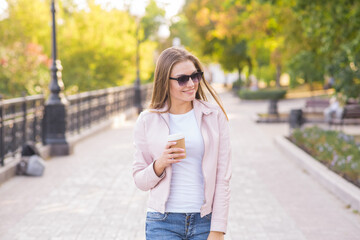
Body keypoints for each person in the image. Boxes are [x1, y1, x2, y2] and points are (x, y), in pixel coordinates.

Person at [132, 47, 232, 240]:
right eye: (182, 79)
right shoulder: (147, 120)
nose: (191, 84)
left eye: (195, 76)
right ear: (164, 81)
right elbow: (139, 180)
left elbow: (223, 178)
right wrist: (160, 164)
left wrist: (218, 230)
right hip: (162, 223)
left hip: (205, 221)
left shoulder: (213, 115)